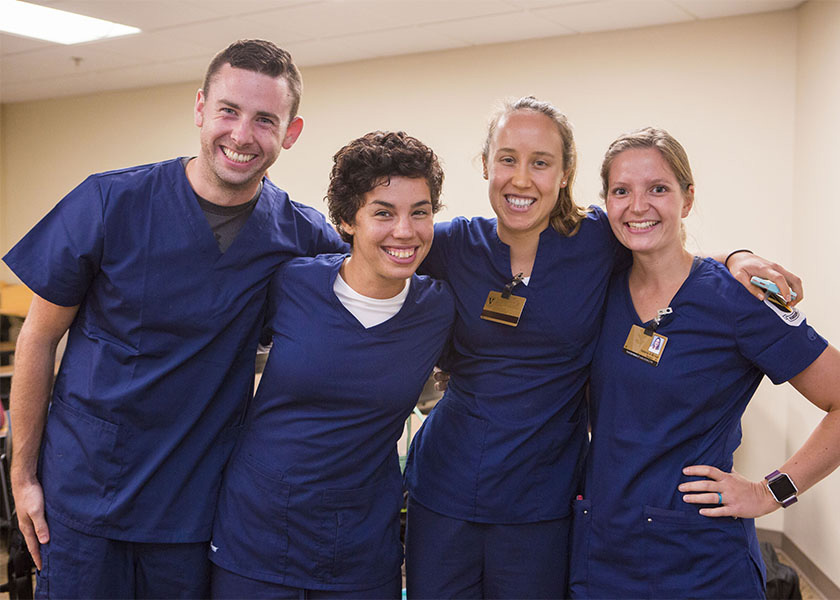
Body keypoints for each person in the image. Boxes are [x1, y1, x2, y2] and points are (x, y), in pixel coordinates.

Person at [403, 97, 803, 599]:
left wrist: (735, 257)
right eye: (507, 158)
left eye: (541, 162)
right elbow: (375, 252)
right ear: (485, 164)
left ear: (565, 172)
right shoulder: (450, 245)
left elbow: (668, 250)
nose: (522, 178)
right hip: (447, 483)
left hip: (543, 498)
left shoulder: (594, 240)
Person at [3, 39, 345, 598]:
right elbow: (37, 339)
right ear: (200, 109)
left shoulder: (300, 237)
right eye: (228, 111)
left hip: (195, 509)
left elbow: (369, 288)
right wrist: (23, 477)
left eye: (265, 119)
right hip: (83, 498)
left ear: (291, 132)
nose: (241, 134)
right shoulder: (111, 203)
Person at [568, 127, 840, 599]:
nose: (637, 206)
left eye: (658, 188)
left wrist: (770, 491)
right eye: (621, 191)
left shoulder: (739, 299)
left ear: (687, 198)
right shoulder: (599, 287)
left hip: (700, 563)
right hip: (602, 553)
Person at [208, 131, 454, 599]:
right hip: (256, 532)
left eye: (419, 212)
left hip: (360, 543)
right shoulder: (291, 284)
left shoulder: (438, 309)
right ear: (347, 220)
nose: (405, 230)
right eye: (383, 212)